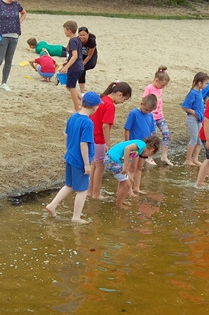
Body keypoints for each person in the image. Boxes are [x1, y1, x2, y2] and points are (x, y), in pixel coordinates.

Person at [45, 92, 101, 224]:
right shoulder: (88, 123)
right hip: (80, 160)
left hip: (70, 156)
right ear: (94, 107)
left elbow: (65, 135)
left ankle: (52, 205)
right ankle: (76, 217)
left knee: (69, 185)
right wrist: (87, 164)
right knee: (82, 189)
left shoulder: (73, 116)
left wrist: (69, 149)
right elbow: (83, 144)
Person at [88, 81, 132, 199]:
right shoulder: (110, 105)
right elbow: (105, 125)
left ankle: (90, 191)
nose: (122, 102)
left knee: (94, 165)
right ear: (120, 94)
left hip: (91, 136)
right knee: (100, 166)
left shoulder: (101, 99)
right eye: (124, 100)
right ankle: (96, 194)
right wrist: (108, 143)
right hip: (99, 138)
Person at [106, 136, 161, 206]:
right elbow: (127, 148)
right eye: (149, 155)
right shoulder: (141, 144)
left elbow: (128, 159)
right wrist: (125, 167)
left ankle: (120, 199)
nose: (146, 157)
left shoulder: (138, 150)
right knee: (127, 184)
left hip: (114, 160)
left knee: (128, 181)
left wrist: (127, 172)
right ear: (152, 150)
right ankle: (118, 204)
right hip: (112, 160)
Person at [123, 94, 158, 194]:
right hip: (134, 146)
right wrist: (127, 142)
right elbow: (127, 128)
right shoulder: (134, 113)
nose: (147, 112)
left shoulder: (150, 115)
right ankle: (129, 189)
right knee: (132, 168)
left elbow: (152, 131)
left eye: (150, 111)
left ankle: (136, 188)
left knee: (139, 168)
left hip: (145, 147)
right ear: (142, 103)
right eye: (146, 109)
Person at [143, 66, 173, 165]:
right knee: (153, 137)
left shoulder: (160, 89)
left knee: (166, 134)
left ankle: (164, 156)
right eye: (162, 85)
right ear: (156, 80)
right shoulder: (149, 88)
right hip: (151, 117)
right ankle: (149, 156)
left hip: (160, 116)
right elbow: (144, 101)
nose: (163, 87)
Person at [56, 20, 85, 110]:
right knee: (69, 86)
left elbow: (75, 55)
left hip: (75, 67)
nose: (64, 31)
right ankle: (83, 101)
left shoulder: (73, 41)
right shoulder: (77, 40)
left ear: (69, 30)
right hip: (79, 66)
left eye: (65, 30)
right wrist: (67, 63)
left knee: (71, 87)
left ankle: (77, 108)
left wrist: (66, 67)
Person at [182, 72, 208, 166]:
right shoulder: (193, 93)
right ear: (200, 83)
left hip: (199, 119)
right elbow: (184, 106)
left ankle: (195, 159)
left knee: (200, 140)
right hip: (192, 119)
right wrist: (194, 113)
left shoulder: (199, 92)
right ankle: (188, 160)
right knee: (193, 139)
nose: (206, 85)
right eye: (206, 83)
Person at [77, 27, 98, 92]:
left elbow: (89, 56)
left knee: (87, 66)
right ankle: (82, 90)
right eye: (80, 35)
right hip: (81, 55)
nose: (82, 37)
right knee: (81, 70)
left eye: (84, 35)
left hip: (91, 55)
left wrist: (82, 64)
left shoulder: (91, 40)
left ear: (88, 34)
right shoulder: (77, 40)